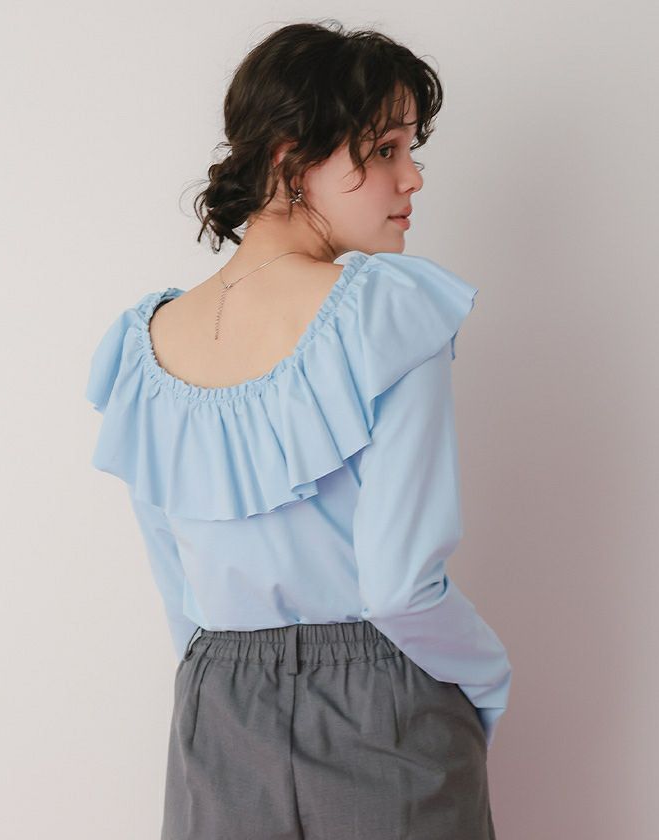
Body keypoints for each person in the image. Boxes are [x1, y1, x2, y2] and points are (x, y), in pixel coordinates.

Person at [85, 20, 512, 840]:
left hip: (216, 705)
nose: (413, 177)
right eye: (383, 149)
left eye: (410, 149)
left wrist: (225, 683)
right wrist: (486, 678)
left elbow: (181, 594)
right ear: (290, 162)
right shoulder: (389, 311)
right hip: (384, 697)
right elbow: (398, 585)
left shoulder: (145, 344)